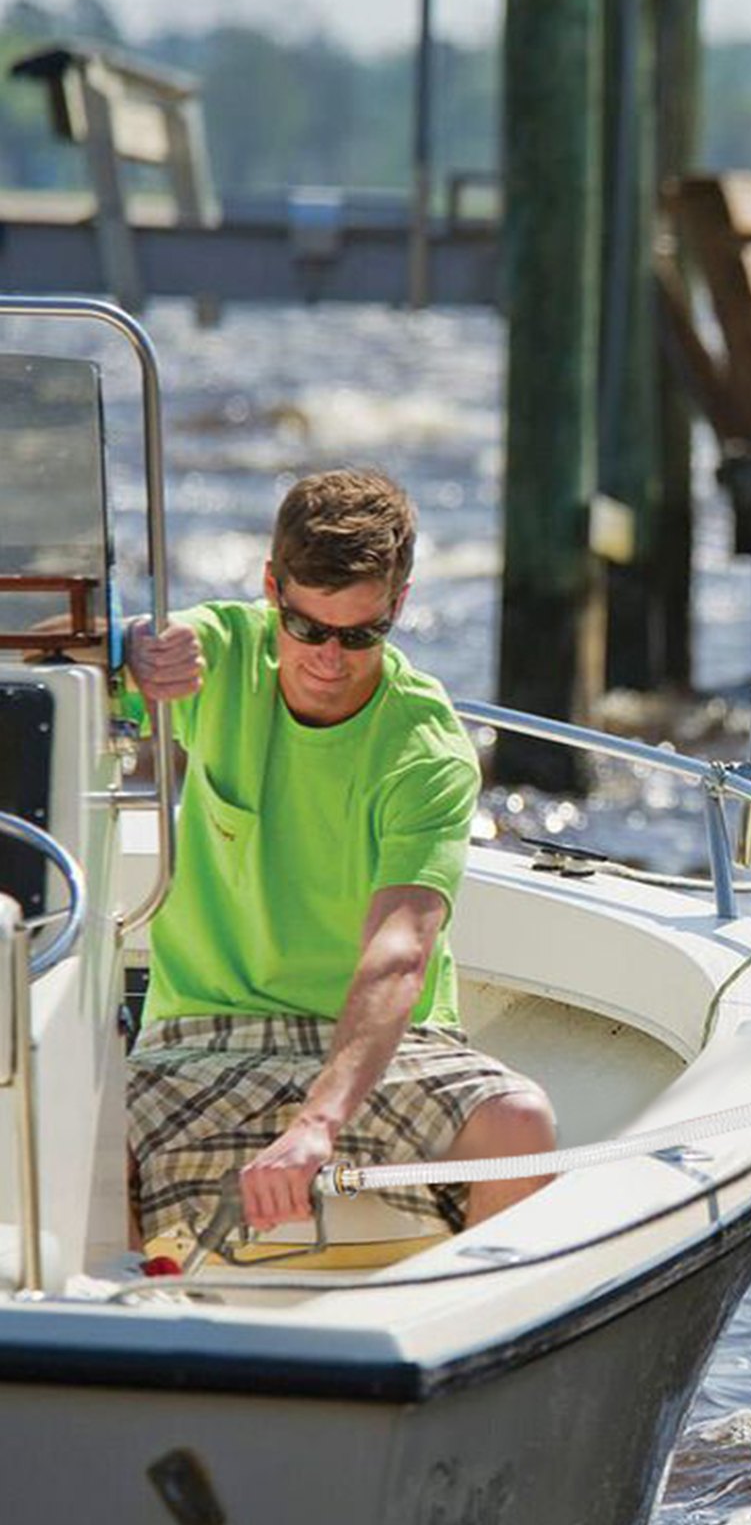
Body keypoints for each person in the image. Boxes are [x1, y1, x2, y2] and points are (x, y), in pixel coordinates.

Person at [124, 468, 556, 1243]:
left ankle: (469, 1340)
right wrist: (129, 651)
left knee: (519, 1124)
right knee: (63, 1136)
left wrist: (318, 1121)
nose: (329, 656)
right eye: (307, 628)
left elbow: (400, 952)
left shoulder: (428, 751)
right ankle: (107, 1340)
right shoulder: (216, 653)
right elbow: (74, 663)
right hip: (201, 1033)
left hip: (389, 1047)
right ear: (271, 591)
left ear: (399, 604)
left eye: (359, 635)